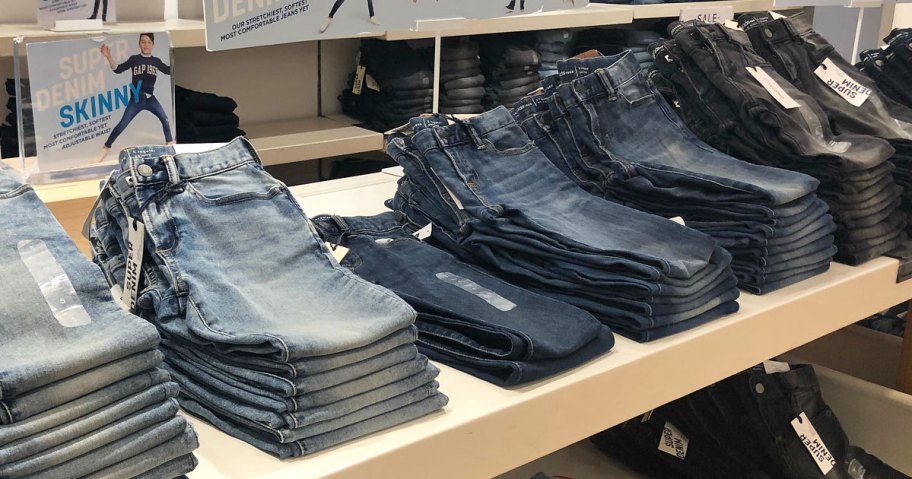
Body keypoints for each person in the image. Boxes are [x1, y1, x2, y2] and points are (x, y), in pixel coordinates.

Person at [97, 33, 173, 162]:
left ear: (153, 45)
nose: (146, 45)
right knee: (122, 124)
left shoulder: (156, 61)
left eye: (149, 42)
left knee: (164, 119)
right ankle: (105, 147)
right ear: (139, 44)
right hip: (136, 98)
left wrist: (177, 55)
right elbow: (118, 69)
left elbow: (168, 70)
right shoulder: (134, 59)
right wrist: (108, 56)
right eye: (143, 42)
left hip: (150, 99)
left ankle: (170, 146)